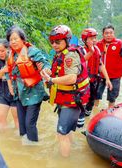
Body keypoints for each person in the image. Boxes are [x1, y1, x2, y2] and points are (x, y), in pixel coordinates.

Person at [41, 25, 90, 157]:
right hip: (66, 99)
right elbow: (60, 72)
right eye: (52, 42)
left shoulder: (70, 55)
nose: (54, 45)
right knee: (66, 132)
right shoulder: (60, 54)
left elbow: (72, 78)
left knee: (61, 133)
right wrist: (50, 72)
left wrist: (51, 79)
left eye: (58, 42)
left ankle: (64, 160)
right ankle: (70, 152)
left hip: (72, 100)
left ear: (67, 41)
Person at [6, 25, 51, 144]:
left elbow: (44, 62)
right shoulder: (10, 55)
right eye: (11, 39)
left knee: (29, 124)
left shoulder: (32, 51)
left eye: (16, 38)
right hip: (19, 94)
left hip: (34, 93)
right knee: (22, 125)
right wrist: (10, 87)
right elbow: (8, 71)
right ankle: (24, 148)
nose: (14, 41)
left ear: (22, 39)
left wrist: (46, 69)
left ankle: (33, 150)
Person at [95, 25, 122, 108]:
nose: (108, 35)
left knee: (112, 97)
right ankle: (94, 111)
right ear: (103, 34)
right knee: (96, 95)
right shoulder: (98, 44)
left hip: (115, 76)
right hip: (100, 75)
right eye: (106, 33)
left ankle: (109, 112)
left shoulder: (119, 44)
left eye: (111, 33)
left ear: (114, 33)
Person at [81, 28, 113, 116]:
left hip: (94, 82)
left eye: (95, 38)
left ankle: (87, 120)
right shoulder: (80, 50)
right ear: (85, 40)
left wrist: (107, 79)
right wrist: (91, 52)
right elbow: (80, 62)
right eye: (91, 39)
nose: (94, 40)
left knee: (91, 102)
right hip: (83, 83)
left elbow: (101, 64)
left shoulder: (97, 50)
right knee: (81, 104)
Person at [0, 39, 19, 130]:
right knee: (1, 122)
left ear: (8, 49)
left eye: (2, 51)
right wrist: (3, 70)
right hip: (2, 94)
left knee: (18, 121)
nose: (0, 53)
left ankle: (19, 142)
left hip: (15, 94)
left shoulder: (15, 57)